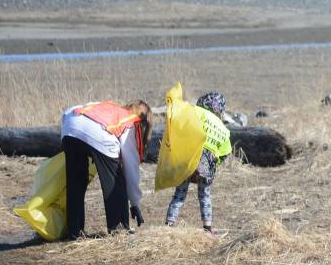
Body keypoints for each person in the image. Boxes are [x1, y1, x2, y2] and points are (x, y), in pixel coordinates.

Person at [60, 99, 152, 239]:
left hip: (70, 125)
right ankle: (119, 230)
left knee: (75, 183)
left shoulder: (111, 107)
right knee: (116, 182)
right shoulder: (131, 122)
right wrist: (134, 203)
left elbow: (71, 111)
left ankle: (74, 231)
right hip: (98, 133)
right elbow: (130, 167)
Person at [164, 91, 231, 235]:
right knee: (205, 195)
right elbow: (225, 153)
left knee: (179, 194)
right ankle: (207, 228)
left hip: (188, 160)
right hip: (207, 166)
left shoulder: (197, 111)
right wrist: (214, 162)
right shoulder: (224, 129)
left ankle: (169, 225)